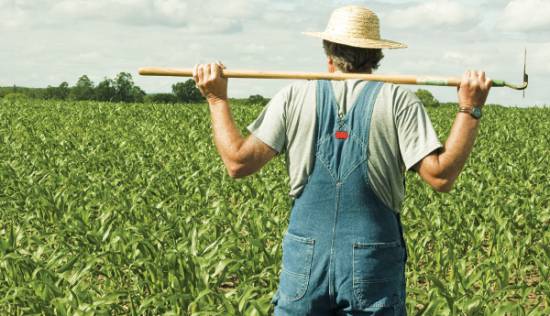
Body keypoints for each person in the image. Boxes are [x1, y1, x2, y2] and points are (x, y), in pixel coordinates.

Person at [192, 5, 491, 315]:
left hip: (304, 262)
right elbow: (441, 176)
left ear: (329, 53)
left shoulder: (294, 96)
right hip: (372, 262)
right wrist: (470, 109)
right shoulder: (399, 101)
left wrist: (216, 99)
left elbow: (238, 162)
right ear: (377, 55)